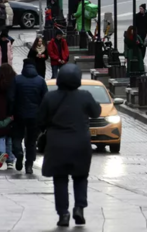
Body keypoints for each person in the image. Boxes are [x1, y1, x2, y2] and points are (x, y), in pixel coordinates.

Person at [38, 63, 101, 227]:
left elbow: (40, 120)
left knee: (60, 179)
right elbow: (96, 112)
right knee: (80, 177)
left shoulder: (50, 97)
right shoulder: (85, 96)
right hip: (80, 143)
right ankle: (79, 208)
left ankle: (63, 214)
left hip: (57, 144)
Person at [9, 58, 48, 174]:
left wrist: (11, 113)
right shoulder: (40, 81)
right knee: (31, 141)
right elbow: (45, 99)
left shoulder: (17, 80)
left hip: (19, 115)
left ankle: (18, 153)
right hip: (35, 116)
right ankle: (29, 164)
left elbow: (11, 98)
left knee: (16, 137)